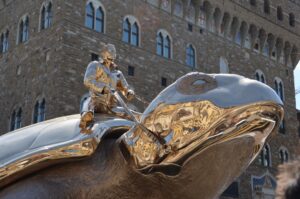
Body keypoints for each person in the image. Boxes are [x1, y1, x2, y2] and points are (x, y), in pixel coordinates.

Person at [80, 44, 135, 133]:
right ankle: (86, 117)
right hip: (96, 103)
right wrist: (103, 88)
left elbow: (125, 88)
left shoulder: (118, 74)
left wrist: (129, 92)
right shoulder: (95, 65)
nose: (112, 54)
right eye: (110, 52)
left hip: (112, 107)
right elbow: (87, 80)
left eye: (114, 52)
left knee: (131, 114)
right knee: (88, 105)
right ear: (104, 54)